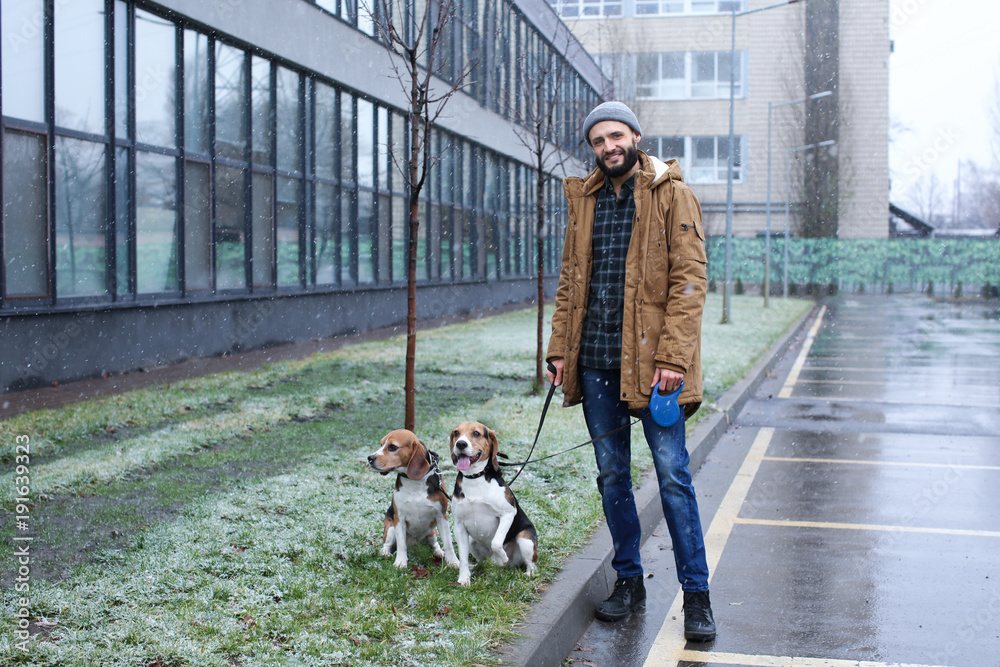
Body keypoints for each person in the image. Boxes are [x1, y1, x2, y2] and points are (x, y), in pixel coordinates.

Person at [545, 101, 715, 642]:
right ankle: (628, 581)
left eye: (616, 136)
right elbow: (572, 282)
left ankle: (696, 596)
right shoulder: (586, 199)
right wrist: (558, 349)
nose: (608, 147)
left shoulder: (673, 194)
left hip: (655, 366)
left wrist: (673, 359)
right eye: (598, 140)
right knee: (613, 476)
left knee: (673, 478)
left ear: (636, 136)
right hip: (595, 361)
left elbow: (690, 283)